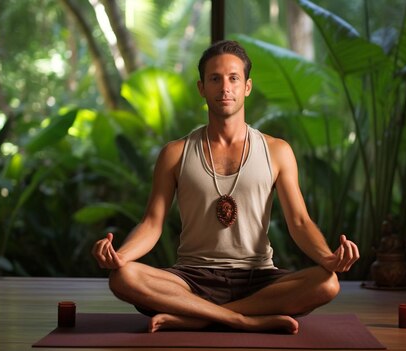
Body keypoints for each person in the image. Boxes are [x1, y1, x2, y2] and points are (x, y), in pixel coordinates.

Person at [91, 40, 359, 334]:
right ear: (201, 88)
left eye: (234, 78)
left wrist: (328, 257)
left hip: (258, 278)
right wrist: (121, 255)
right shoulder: (175, 153)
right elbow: (152, 224)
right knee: (122, 277)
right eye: (215, 79)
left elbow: (299, 221)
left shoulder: (277, 150)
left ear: (247, 87)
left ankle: (195, 316)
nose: (225, 87)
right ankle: (241, 320)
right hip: (190, 278)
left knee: (327, 283)